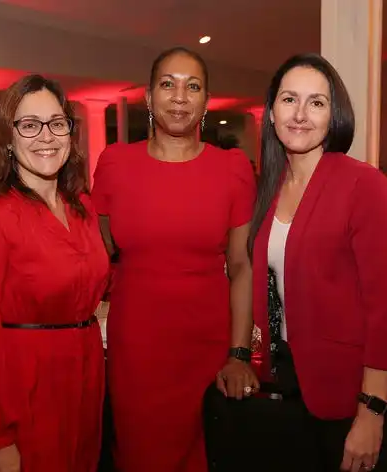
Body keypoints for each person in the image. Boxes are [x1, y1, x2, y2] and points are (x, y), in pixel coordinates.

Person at [91, 46, 258, 472]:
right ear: (149, 97)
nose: (180, 97)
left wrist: (238, 354)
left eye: (193, 86)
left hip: (206, 345)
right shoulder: (115, 163)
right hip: (137, 349)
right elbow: (101, 251)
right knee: (139, 454)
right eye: (168, 84)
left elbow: (241, 267)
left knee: (205, 457)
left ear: (205, 101)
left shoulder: (233, 169)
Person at [249, 53, 387, 472]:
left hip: (352, 394)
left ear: (333, 115)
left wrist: (371, 411)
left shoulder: (364, 185)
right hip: (291, 380)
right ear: (271, 113)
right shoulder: (271, 186)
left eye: (317, 102)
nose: (301, 114)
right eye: (289, 99)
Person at [0, 74, 110, 472]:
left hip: (86, 380)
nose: (47, 136)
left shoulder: (83, 208)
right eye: (29, 124)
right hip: (27, 390)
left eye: (57, 123)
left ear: (70, 134)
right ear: (9, 138)